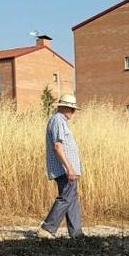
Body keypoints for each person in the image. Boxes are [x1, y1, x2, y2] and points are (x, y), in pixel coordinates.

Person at [37, 94, 83, 239]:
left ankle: (76, 234)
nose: (72, 112)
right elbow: (57, 146)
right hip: (64, 169)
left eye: (73, 109)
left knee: (71, 198)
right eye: (70, 108)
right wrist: (69, 168)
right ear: (62, 107)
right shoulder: (58, 120)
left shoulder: (61, 121)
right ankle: (47, 229)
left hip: (67, 169)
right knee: (66, 198)